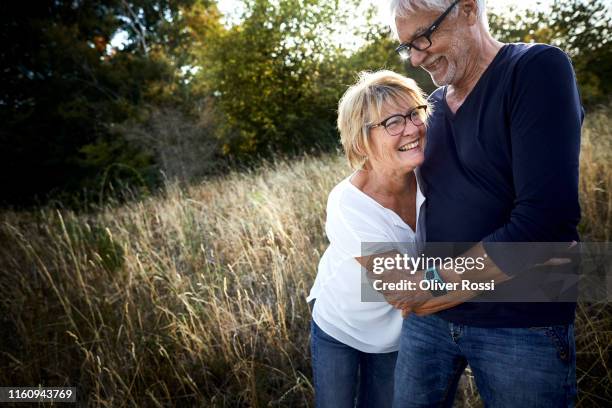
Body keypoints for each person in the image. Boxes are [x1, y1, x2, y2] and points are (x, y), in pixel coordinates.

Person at [382, 0, 584, 406]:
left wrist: (436, 283)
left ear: (469, 10)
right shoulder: (432, 107)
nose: (416, 59)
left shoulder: (535, 69)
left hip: (520, 321)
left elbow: (543, 222)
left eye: (423, 37)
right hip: (432, 319)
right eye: (408, 47)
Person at [307, 70, 430, 408]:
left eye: (414, 113)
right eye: (392, 122)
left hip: (395, 337)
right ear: (362, 141)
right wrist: (504, 267)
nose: (411, 128)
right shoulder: (348, 205)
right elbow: (406, 290)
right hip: (340, 327)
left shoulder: (432, 175)